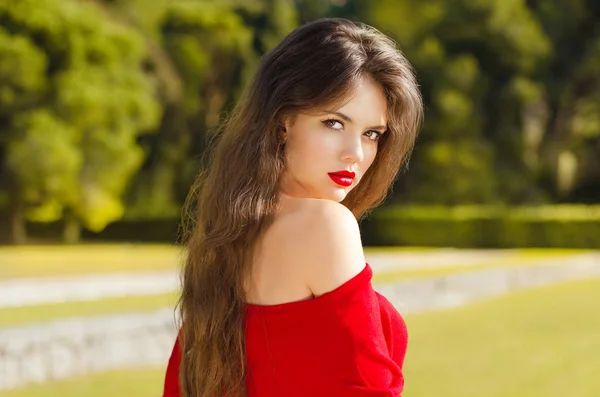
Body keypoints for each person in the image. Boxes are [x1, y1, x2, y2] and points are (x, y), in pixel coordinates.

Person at [162, 17, 422, 397]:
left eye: (371, 134)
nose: (355, 153)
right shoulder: (326, 224)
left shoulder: (226, 236)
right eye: (334, 123)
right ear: (284, 122)